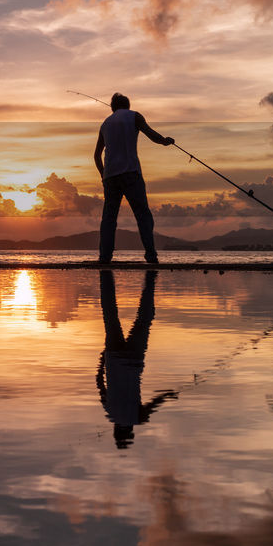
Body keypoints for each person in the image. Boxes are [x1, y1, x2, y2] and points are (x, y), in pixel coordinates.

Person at [97, 269, 177, 448]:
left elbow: (156, 403)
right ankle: (107, 281)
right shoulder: (109, 412)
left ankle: (150, 282)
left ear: (130, 431)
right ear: (115, 430)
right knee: (110, 316)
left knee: (145, 319)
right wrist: (103, 360)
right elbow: (99, 384)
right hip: (113, 356)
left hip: (134, 359)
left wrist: (169, 394)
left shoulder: (138, 418)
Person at [94, 93, 174, 264]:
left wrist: (103, 175)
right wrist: (165, 141)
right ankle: (151, 256)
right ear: (128, 105)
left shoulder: (105, 123)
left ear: (113, 107)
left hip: (110, 177)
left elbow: (96, 155)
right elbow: (152, 135)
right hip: (130, 173)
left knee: (109, 218)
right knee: (143, 215)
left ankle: (104, 257)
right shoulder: (134, 116)